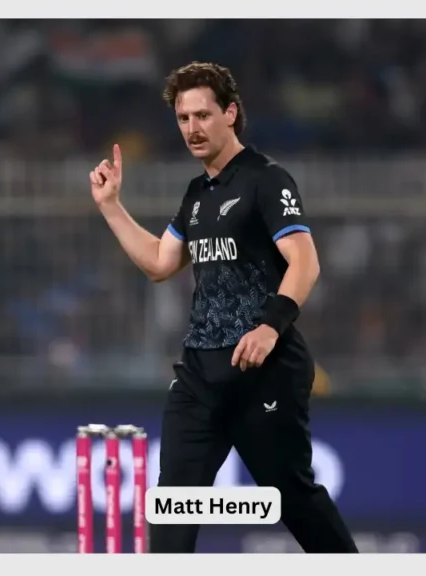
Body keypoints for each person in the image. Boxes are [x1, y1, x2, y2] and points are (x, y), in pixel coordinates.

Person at [89, 61, 358, 553]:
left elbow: (306, 262)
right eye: (183, 118)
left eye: (202, 115)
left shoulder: (266, 179)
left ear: (230, 113)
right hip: (200, 376)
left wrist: (269, 328)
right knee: (172, 503)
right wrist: (111, 206)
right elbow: (158, 263)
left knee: (292, 496)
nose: (192, 128)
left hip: (264, 371)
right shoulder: (197, 194)